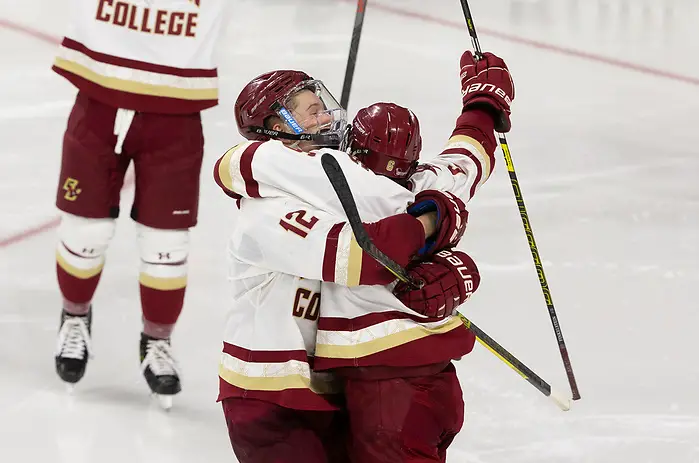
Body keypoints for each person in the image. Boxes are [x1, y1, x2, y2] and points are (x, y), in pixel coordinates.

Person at [215, 50, 514, 462]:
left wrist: (481, 109)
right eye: (312, 112)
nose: (327, 118)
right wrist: (434, 220)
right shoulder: (267, 213)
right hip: (271, 396)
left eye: (324, 107)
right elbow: (369, 257)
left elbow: (454, 170)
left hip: (336, 384)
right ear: (275, 129)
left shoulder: (355, 183)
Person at [52, 0, 230, 407]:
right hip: (102, 85)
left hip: (177, 96)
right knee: (85, 229)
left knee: (166, 242)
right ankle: (75, 315)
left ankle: (157, 341)